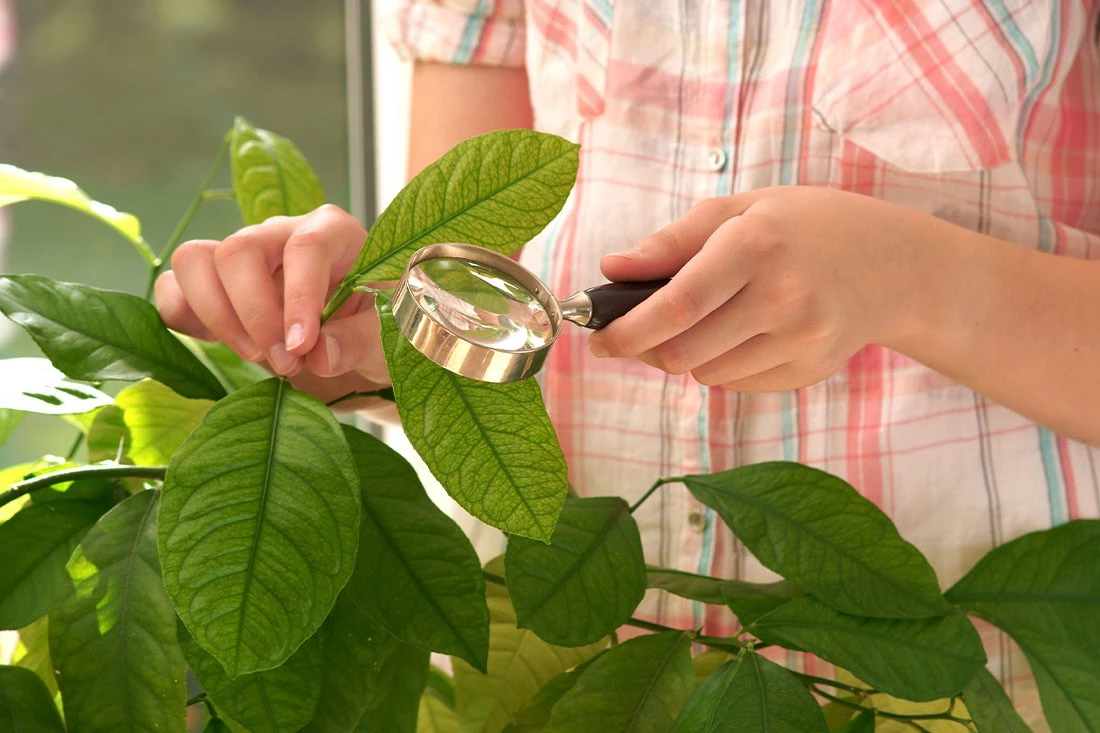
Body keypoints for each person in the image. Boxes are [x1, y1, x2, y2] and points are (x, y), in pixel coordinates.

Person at [155, 1, 1100, 726]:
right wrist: (358, 335)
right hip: (557, 655)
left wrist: (908, 278)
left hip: (960, 672)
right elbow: (459, 293)